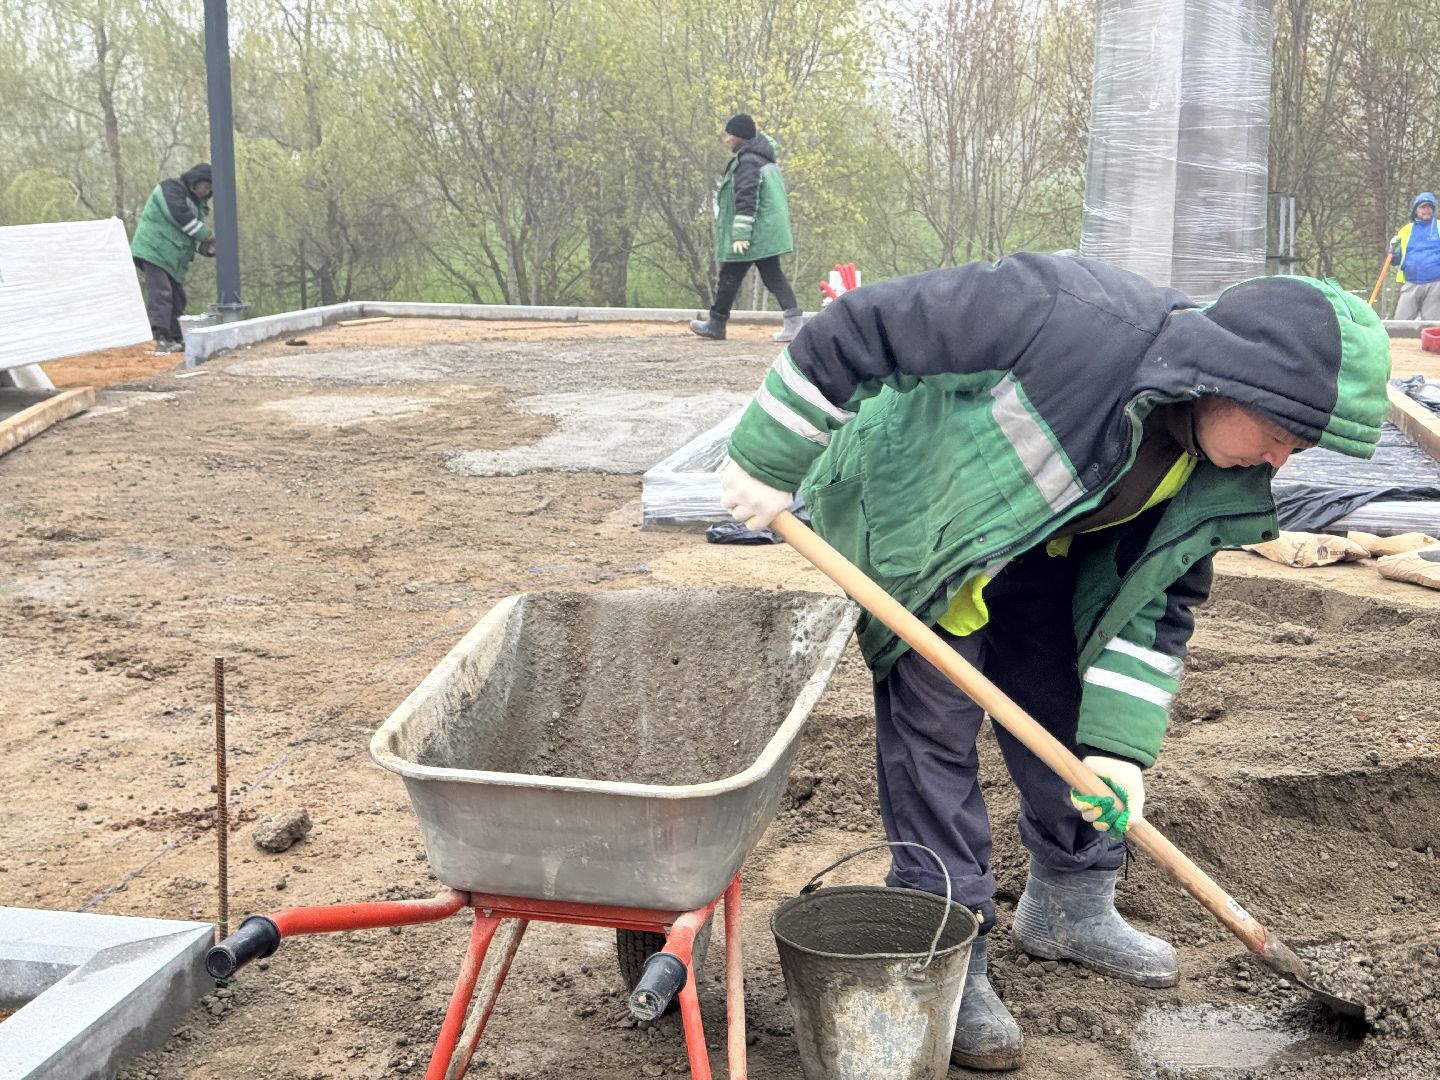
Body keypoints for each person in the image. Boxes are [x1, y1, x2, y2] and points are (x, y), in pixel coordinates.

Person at [718, 253, 1391, 1070]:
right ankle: (946, 948)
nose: (1277, 464)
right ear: (1233, 378)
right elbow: (861, 327)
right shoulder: (1063, 312)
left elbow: (1156, 611)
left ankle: (1071, 902)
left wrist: (1119, 752)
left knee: (1065, 711)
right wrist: (767, 454)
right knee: (934, 727)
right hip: (923, 520)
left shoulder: (1214, 478)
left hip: (1040, 546)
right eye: (1279, 436)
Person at [689, 114, 804, 344]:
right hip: (764, 232)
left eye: (729, 134)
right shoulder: (761, 158)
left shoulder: (749, 162)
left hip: (754, 234)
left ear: (740, 136)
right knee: (758, 277)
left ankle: (717, 324)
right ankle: (718, 323)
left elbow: (747, 198)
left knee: (735, 277)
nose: (726, 139)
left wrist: (740, 234)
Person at [131, 163, 216, 353]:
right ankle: (161, 337)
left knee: (177, 297)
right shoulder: (171, 189)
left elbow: (188, 235)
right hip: (154, 250)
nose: (207, 192)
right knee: (161, 293)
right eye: (207, 187)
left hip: (171, 257)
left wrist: (207, 248)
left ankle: (176, 337)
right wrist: (207, 235)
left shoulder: (197, 205)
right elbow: (180, 218)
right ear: (197, 180)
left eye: (210, 190)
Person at [1388, 192, 1440, 320]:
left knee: (1432, 326)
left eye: (1429, 207)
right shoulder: (1406, 230)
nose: (1426, 210)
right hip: (1410, 282)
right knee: (1401, 322)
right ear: (1415, 210)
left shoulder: (1439, 227)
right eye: (1423, 207)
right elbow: (1395, 260)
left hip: (1435, 284)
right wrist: (1393, 253)